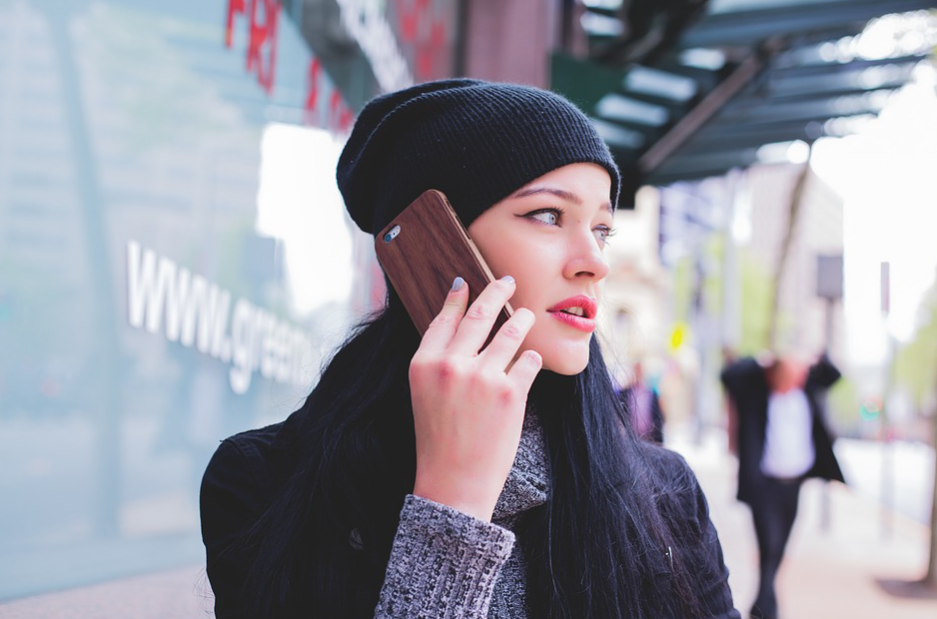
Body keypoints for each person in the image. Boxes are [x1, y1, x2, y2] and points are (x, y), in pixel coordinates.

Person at [200, 78, 740, 619]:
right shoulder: (265, 482)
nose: (595, 261)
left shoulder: (663, 494)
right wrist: (451, 508)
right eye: (548, 215)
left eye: (602, 228)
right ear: (432, 241)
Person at [720, 352, 845, 619]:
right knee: (770, 544)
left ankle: (762, 603)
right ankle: (768, 610)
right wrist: (760, 361)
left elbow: (835, 374)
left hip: (794, 484)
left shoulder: (807, 387)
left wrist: (813, 358)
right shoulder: (756, 390)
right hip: (764, 485)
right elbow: (727, 375)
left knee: (778, 547)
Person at [617, 360, 665, 443]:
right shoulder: (625, 393)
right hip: (631, 437)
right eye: (637, 371)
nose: (638, 374)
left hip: (650, 438)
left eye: (640, 371)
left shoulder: (651, 394)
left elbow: (659, 416)